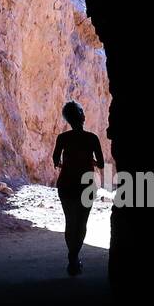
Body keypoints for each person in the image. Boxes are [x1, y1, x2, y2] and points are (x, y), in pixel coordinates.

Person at [52, 100, 103, 275]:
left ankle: (73, 259)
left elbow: (55, 160)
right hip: (86, 186)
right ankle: (74, 258)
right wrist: (89, 161)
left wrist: (67, 164)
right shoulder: (92, 138)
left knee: (70, 222)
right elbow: (102, 163)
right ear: (82, 116)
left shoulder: (62, 138)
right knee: (81, 223)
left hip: (66, 184)